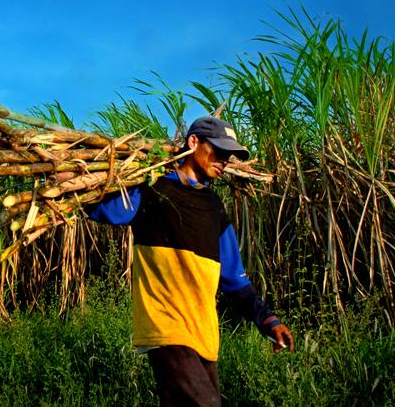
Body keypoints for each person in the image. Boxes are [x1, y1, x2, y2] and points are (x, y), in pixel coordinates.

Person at [89, 116, 294, 406]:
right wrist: (71, 185)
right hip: (167, 328)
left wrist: (268, 320)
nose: (224, 160)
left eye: (228, 155)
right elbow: (107, 209)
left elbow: (235, 279)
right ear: (194, 142)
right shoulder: (154, 191)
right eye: (218, 151)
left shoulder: (214, 209)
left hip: (203, 335)